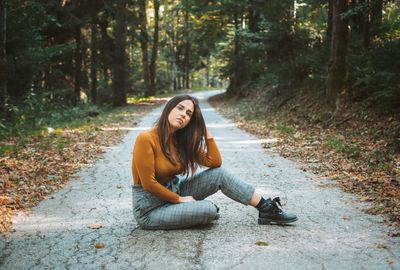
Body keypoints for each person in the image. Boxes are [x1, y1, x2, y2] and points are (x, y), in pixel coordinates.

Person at [131, 94, 297, 230]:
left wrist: (206, 134)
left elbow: (214, 162)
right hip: (151, 209)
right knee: (209, 209)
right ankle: (193, 211)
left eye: (189, 114)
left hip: (175, 191)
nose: (183, 114)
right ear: (169, 108)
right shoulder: (146, 138)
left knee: (219, 175)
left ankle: (266, 208)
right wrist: (179, 200)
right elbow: (148, 184)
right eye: (180, 108)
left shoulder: (181, 141)